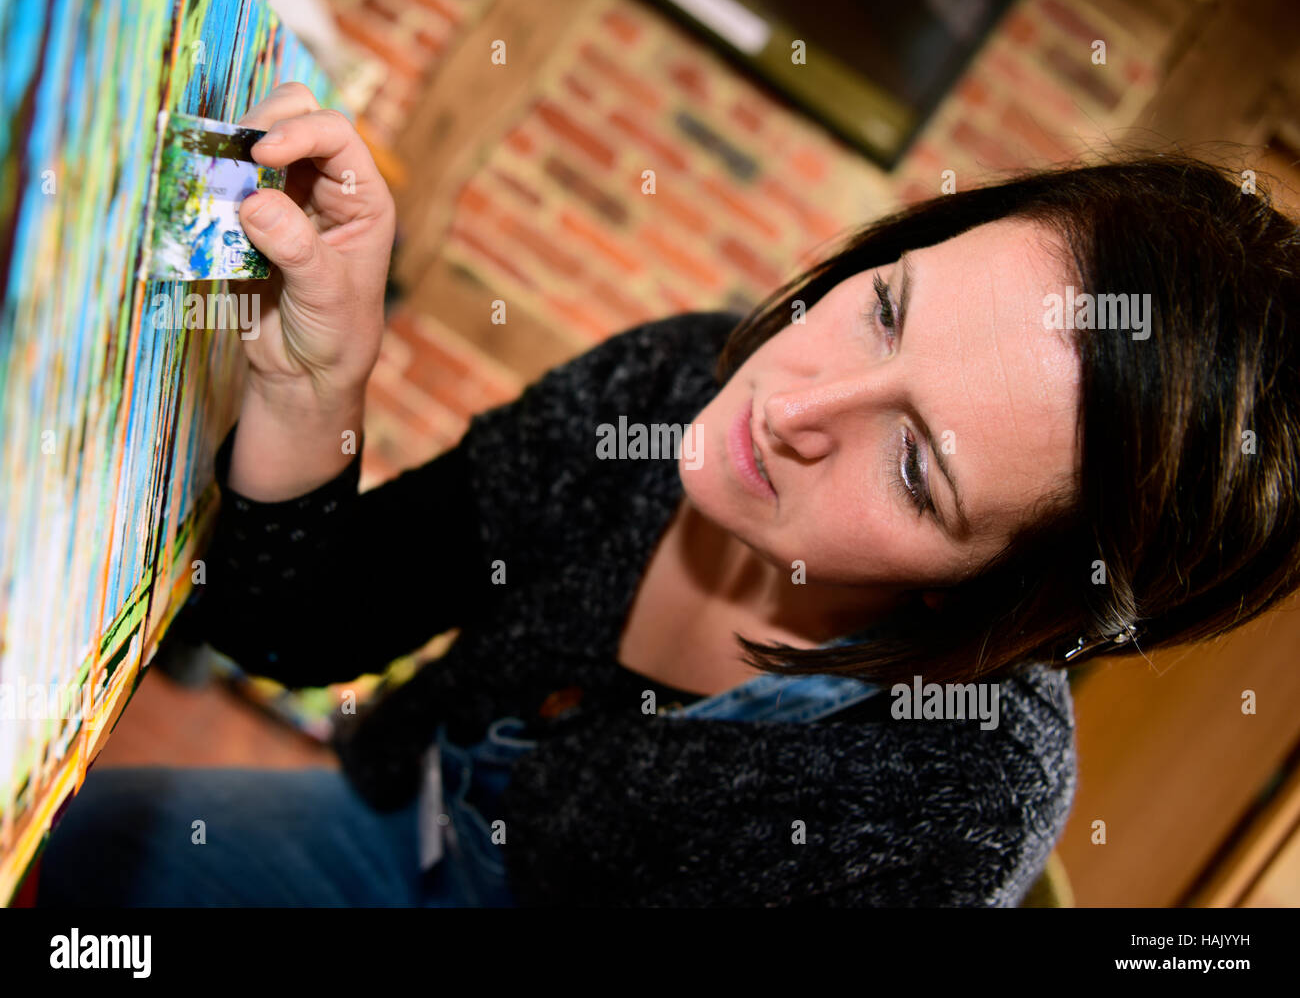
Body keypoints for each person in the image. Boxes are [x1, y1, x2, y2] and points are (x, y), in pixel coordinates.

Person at [35, 83, 1300, 907]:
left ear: (1009, 598)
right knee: (75, 864)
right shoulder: (668, 379)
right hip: (390, 825)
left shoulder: (950, 790)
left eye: (916, 467)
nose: (788, 406)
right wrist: (322, 381)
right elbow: (295, 628)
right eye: (884, 308)